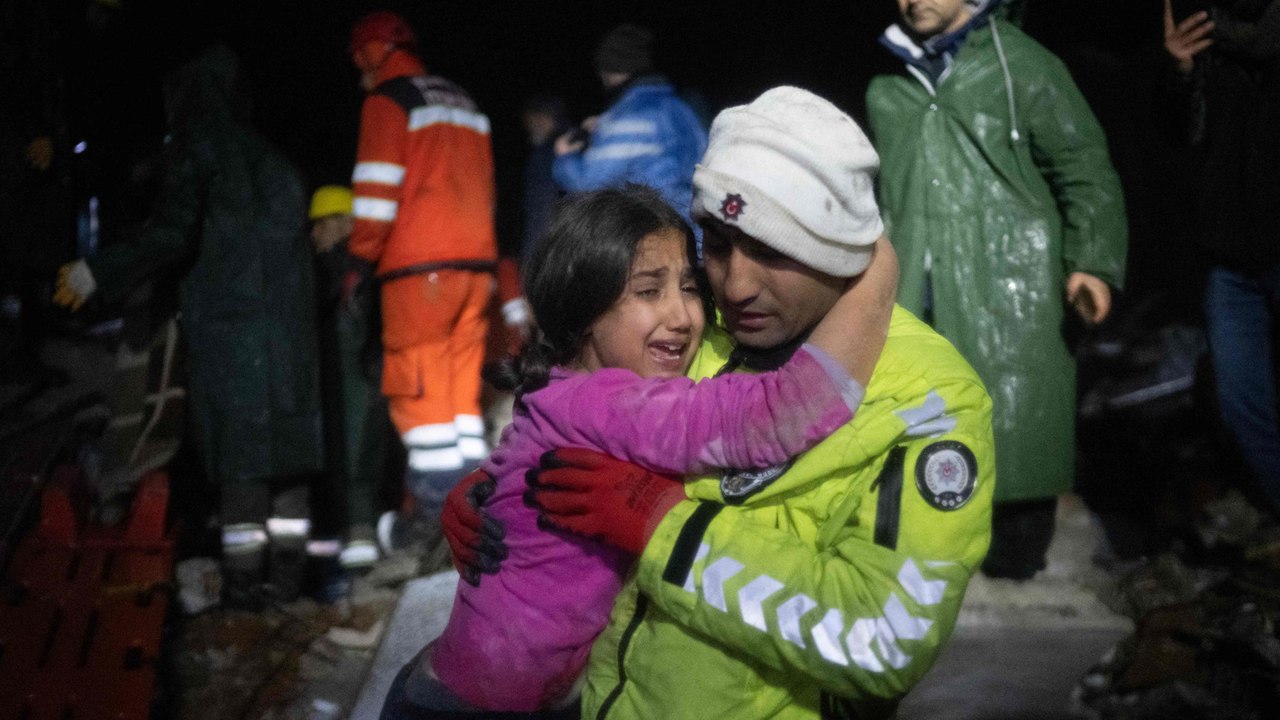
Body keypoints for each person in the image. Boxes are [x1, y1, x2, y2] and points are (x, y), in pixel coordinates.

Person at [449, 87, 996, 720]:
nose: (736, 284)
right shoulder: (694, 331)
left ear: (839, 245)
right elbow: (576, 399)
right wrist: (500, 493)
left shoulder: (930, 399)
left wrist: (667, 531)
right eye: (719, 243)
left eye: (772, 251)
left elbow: (884, 641)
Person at [381, 183, 896, 718]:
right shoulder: (611, 402)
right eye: (649, 292)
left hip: (467, 686)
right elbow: (774, 417)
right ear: (584, 309)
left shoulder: (560, 387)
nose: (681, 315)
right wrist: (874, 276)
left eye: (690, 288)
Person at [865, 0, 1128, 579]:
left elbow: (1083, 164)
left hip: (1012, 281)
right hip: (914, 279)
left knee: (1015, 421)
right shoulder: (888, 84)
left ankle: (1016, 563)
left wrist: (1092, 261)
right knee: (911, 415)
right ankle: (915, 561)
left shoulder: (1026, 67)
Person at [52, 45, 323, 605]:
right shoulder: (280, 165)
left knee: (244, 470)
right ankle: (290, 590)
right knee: (289, 466)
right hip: (292, 344)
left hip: (232, 338)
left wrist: (94, 272)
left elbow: (172, 234)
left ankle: (246, 598)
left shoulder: (198, 153)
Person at [346, 11, 501, 560]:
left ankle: (436, 525)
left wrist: (358, 263)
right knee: (460, 404)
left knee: (419, 396)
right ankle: (479, 512)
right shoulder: (464, 102)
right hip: (476, 269)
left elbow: (374, 195)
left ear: (370, 54)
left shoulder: (389, 99)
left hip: (418, 273)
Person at [1161, 0, 1280, 515]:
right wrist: (1180, 74)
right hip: (1230, 256)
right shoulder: (1205, 30)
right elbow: (1172, 138)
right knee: (1241, 404)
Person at [552, 24, 707, 223]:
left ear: (608, 70)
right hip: (693, 230)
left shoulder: (626, 119)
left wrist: (565, 157)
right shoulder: (682, 109)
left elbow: (587, 184)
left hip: (652, 231)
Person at [308, 185, 388, 570]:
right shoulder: (360, 266)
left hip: (358, 381)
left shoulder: (346, 271)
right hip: (360, 379)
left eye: (319, 225)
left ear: (340, 223)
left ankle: (359, 551)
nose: (313, 235)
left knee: (356, 459)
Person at [519, 94, 568, 267]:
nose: (528, 129)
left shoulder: (545, 155)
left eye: (529, 122)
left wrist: (530, 266)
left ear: (541, 118)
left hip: (551, 254)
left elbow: (540, 209)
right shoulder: (577, 144)